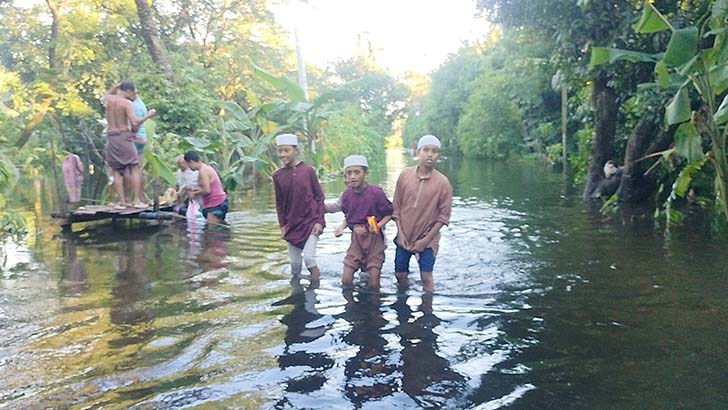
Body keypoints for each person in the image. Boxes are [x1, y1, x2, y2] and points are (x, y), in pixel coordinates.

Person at [392, 134, 452, 292]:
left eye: (435, 151)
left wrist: (425, 241)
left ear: (439, 155)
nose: (430, 154)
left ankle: (427, 310)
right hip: (404, 236)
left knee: (426, 277)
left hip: (428, 239)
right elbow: (396, 208)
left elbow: (443, 217)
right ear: (418, 152)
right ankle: (402, 304)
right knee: (400, 274)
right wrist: (401, 234)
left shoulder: (443, 183)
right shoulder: (405, 176)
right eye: (426, 150)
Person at [272, 133, 325, 281]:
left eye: (286, 150)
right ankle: (297, 296)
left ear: (296, 150)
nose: (283, 154)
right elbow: (279, 204)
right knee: (295, 265)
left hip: (311, 223)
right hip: (292, 225)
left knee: (309, 259)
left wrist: (319, 221)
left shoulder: (308, 171)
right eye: (280, 151)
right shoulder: (277, 176)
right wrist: (283, 225)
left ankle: (314, 293)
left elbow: (319, 197)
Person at [336, 155, 393, 289]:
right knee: (346, 279)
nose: (353, 176)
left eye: (357, 172)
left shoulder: (376, 193)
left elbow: (389, 213)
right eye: (349, 173)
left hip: (374, 238)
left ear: (365, 173)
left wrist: (378, 226)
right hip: (356, 239)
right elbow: (349, 215)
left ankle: (373, 308)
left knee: (374, 282)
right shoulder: (346, 195)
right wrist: (342, 227)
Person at [101, 81, 156, 208]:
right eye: (133, 92)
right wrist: (148, 116)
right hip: (123, 136)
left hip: (111, 137)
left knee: (116, 171)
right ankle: (136, 201)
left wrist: (115, 86)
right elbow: (135, 122)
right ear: (129, 91)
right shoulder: (126, 103)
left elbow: (105, 95)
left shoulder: (108, 100)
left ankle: (122, 202)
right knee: (134, 167)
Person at [184, 150, 229, 224]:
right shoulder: (206, 168)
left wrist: (194, 194)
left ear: (191, 162)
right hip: (218, 202)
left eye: (188, 165)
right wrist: (195, 190)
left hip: (216, 203)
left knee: (211, 230)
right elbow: (207, 186)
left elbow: (206, 190)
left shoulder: (203, 172)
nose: (189, 167)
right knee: (219, 226)